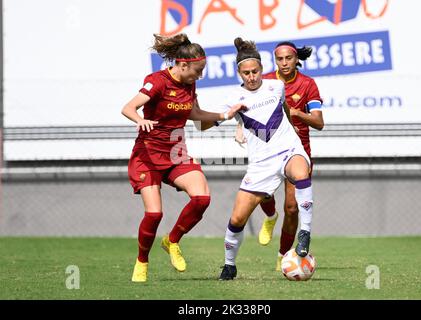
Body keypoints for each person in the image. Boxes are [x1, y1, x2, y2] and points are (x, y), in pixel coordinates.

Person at [121, 33, 245, 282]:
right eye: (198, 71)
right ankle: (142, 262)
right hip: (147, 155)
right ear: (183, 65)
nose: (200, 76)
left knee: (202, 198)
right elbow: (128, 108)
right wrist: (140, 119)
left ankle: (172, 241)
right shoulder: (157, 81)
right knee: (154, 214)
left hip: (176, 153)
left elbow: (195, 115)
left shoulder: (189, 84)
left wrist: (225, 115)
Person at [199, 37, 314, 280]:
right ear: (239, 73)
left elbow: (283, 111)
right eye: (246, 73)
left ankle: (305, 232)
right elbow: (202, 126)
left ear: (262, 69)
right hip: (262, 164)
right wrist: (227, 115)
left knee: (301, 173)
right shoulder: (233, 97)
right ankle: (229, 265)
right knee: (237, 218)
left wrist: (293, 136)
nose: (251, 77)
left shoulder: (277, 86)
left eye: (255, 71)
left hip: (289, 150)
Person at [248, 41, 324, 271]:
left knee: (292, 208)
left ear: (295, 59)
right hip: (267, 149)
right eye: (279, 59)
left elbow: (319, 122)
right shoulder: (266, 81)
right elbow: (246, 106)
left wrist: (298, 112)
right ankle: (270, 216)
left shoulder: (307, 84)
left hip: (296, 151)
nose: (284, 63)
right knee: (262, 194)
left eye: (288, 58)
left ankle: (283, 256)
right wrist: (240, 128)